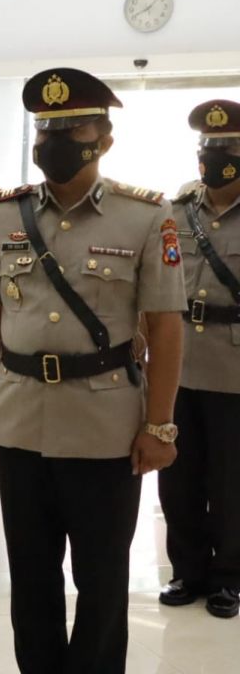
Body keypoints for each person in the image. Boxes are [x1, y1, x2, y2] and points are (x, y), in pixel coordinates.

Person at [0, 68, 184, 674]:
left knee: (102, 576)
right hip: (19, 418)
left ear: (104, 139)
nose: (54, 141)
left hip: (104, 425)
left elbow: (166, 327)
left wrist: (160, 425)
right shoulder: (4, 213)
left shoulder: (145, 215)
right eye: (46, 129)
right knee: (30, 575)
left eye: (72, 128)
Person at [157, 99, 240, 620]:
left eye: (226, 148)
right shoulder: (177, 210)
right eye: (207, 147)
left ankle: (229, 577)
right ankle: (187, 570)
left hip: (235, 369)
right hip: (180, 364)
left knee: (231, 482)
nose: (213, 157)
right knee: (178, 476)